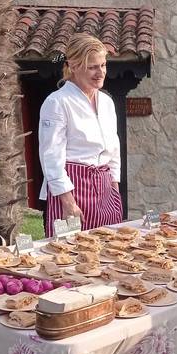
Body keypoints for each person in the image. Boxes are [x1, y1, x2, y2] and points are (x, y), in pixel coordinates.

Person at [38, 33, 122, 235]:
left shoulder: (107, 102)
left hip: (104, 188)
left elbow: (114, 148)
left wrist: (115, 190)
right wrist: (68, 203)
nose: (100, 72)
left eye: (103, 65)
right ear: (73, 66)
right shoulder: (57, 102)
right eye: (92, 67)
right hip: (71, 189)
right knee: (70, 254)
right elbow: (51, 156)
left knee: (110, 249)